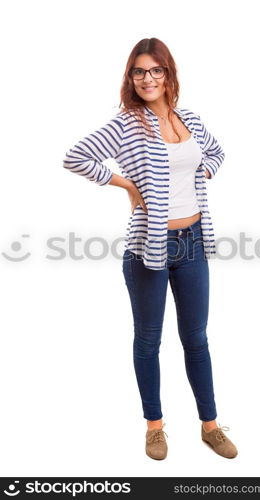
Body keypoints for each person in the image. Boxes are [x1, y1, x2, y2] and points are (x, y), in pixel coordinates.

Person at [62, 38, 238, 460]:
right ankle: (155, 427)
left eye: (155, 70)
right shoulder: (128, 124)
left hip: (193, 241)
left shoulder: (189, 118)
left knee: (196, 338)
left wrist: (203, 174)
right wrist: (126, 185)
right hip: (149, 247)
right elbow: (76, 156)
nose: (147, 78)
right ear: (131, 77)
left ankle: (210, 425)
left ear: (168, 74)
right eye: (139, 71)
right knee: (148, 340)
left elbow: (215, 152)